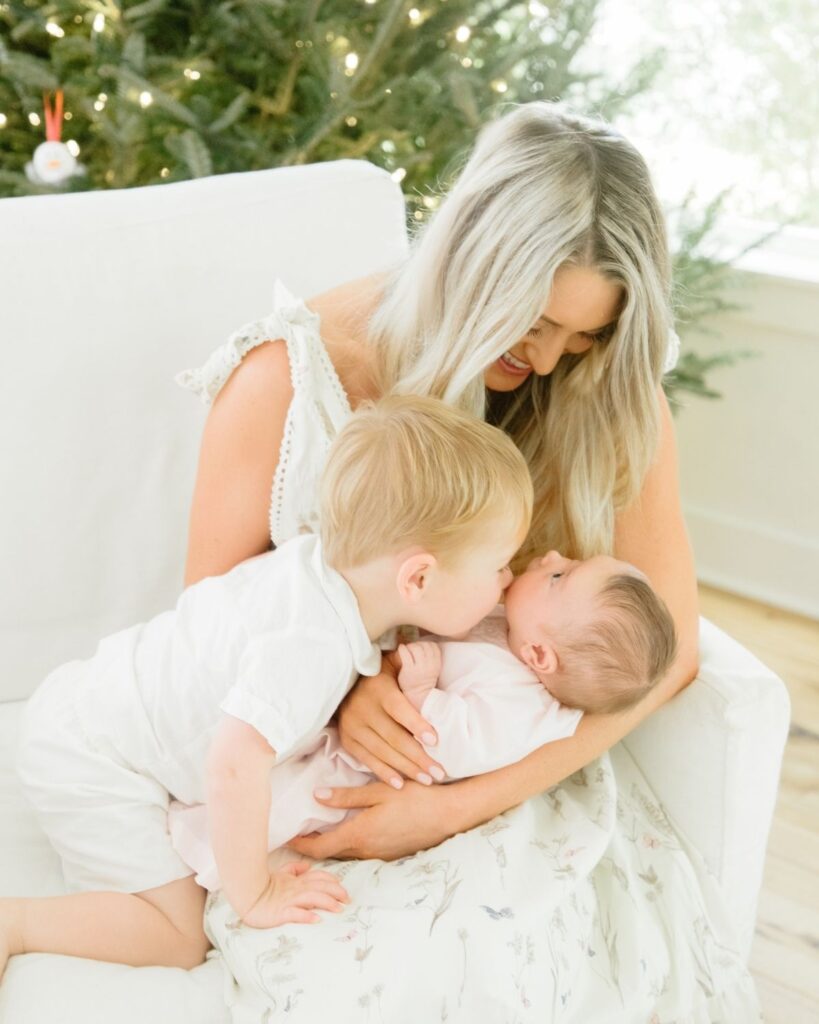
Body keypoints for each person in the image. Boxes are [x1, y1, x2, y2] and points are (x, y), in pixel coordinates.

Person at [180, 100, 699, 864]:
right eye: (532, 319)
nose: (551, 361)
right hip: (282, 767)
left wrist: (450, 810)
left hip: (474, 782)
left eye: (583, 335)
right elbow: (202, 628)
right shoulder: (286, 382)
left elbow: (674, 649)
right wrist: (347, 686)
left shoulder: (606, 392)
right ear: (470, 261)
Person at [0, 396, 533, 978]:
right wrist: (253, 892)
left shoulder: (316, 570)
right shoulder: (310, 647)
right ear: (419, 578)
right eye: (500, 565)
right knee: (179, 936)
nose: (508, 581)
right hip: (91, 759)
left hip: (91, 700)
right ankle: (17, 923)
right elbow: (234, 766)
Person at [167, 548, 678, 893]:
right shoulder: (516, 631)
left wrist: (422, 693)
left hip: (372, 767)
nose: (551, 556)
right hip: (356, 721)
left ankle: (221, 854)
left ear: (542, 656)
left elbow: (452, 744)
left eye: (560, 577)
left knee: (289, 800)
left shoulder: (526, 708)